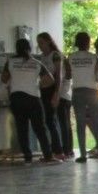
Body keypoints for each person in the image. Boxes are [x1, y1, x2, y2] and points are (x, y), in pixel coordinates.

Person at [1, 38, 57, 164]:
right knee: (40, 128)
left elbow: (4, 79)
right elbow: (51, 79)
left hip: (16, 98)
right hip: (33, 99)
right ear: (29, 48)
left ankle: (27, 157)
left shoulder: (10, 62)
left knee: (22, 128)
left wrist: (14, 80)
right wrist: (38, 85)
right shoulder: (36, 63)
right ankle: (48, 155)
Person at [69, 31, 98, 163]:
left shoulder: (71, 57)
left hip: (78, 92)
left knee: (80, 124)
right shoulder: (93, 57)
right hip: (92, 92)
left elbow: (68, 75)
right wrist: (96, 82)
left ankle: (83, 155)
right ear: (88, 42)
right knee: (97, 122)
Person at [36, 32, 65, 160]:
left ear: (48, 41)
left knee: (50, 120)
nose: (40, 45)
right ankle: (53, 149)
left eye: (41, 42)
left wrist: (56, 93)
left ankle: (58, 150)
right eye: (38, 43)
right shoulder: (42, 57)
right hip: (43, 89)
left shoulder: (55, 56)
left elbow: (58, 76)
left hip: (52, 90)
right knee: (46, 120)